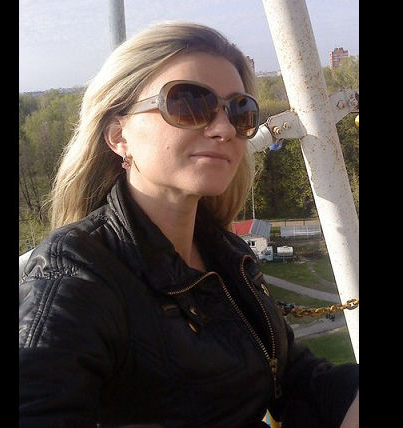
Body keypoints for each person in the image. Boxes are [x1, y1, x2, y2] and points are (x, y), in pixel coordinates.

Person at [19, 21, 358, 427]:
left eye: (240, 111)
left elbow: (295, 377)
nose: (224, 129)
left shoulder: (226, 255)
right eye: (189, 104)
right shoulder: (76, 273)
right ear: (118, 136)